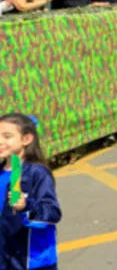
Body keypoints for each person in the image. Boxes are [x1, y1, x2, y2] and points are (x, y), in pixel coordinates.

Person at [0, 113, 61, 270]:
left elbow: (52, 212)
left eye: (7, 136)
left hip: (31, 259)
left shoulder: (36, 173)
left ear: (26, 139)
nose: (0, 141)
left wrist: (27, 206)